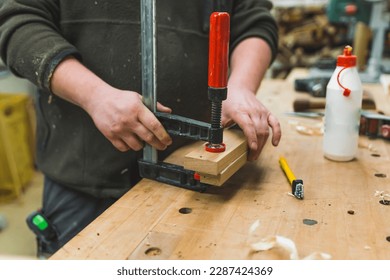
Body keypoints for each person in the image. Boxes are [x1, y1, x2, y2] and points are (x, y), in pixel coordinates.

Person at [0, 0, 281, 258]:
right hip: (84, 184)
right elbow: (17, 19)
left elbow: (253, 20)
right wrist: (94, 96)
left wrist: (241, 85)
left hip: (199, 176)